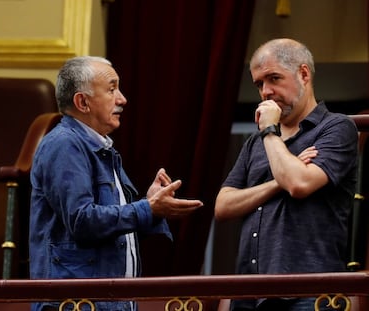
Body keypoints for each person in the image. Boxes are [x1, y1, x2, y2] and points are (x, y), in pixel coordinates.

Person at [29, 56, 204, 311]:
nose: (122, 99)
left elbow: (112, 228)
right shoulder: (65, 144)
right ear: (82, 102)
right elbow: (82, 221)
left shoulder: (100, 148)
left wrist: (148, 203)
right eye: (112, 89)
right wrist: (148, 208)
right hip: (77, 304)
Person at [215, 38, 358, 311]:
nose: (266, 91)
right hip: (248, 294)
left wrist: (270, 131)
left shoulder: (336, 128)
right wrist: (275, 184)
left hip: (309, 295)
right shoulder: (254, 143)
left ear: (303, 74)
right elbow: (223, 206)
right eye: (259, 84)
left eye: (274, 78)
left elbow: (299, 183)